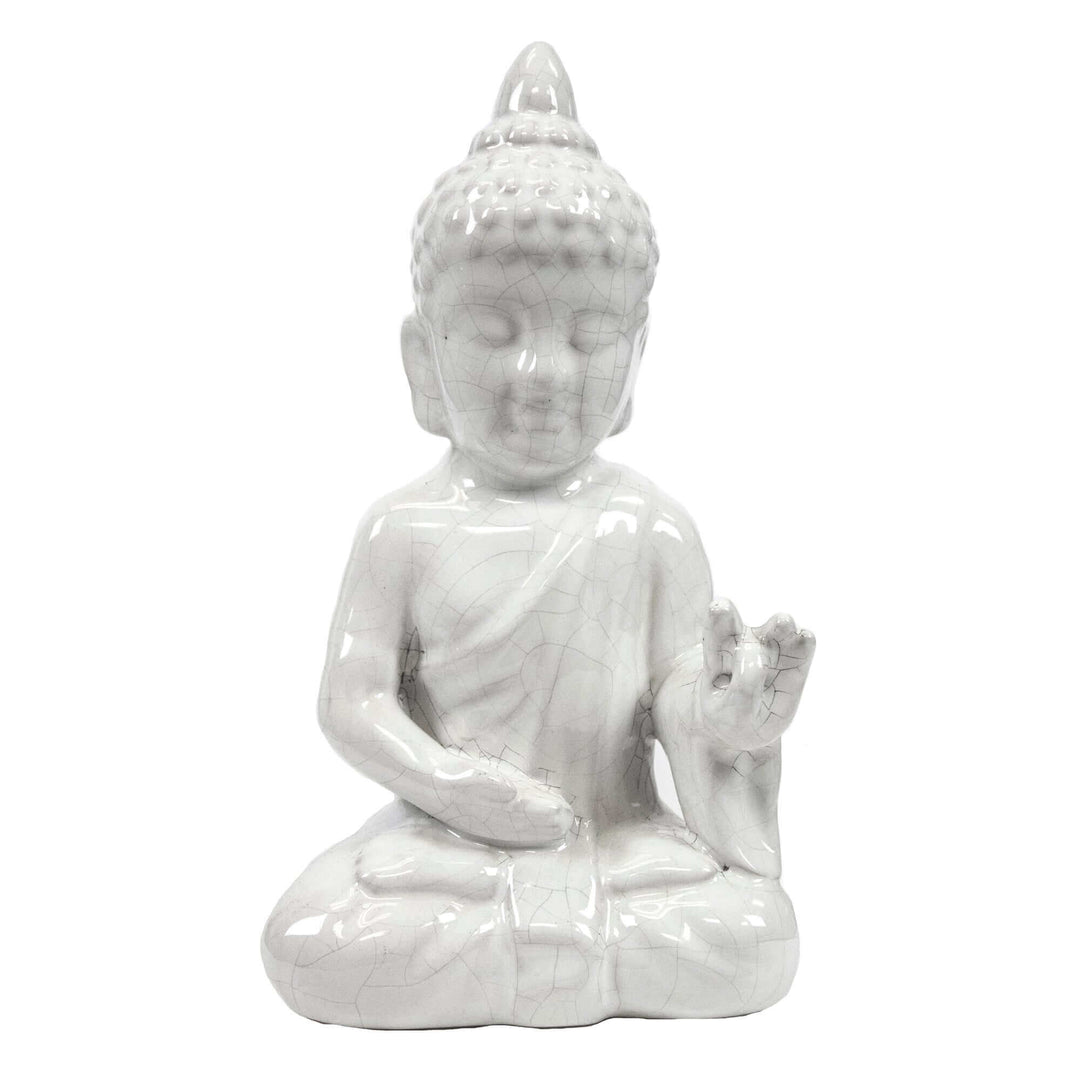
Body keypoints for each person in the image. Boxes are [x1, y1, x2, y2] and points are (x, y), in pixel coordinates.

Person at [262, 42, 815, 1029]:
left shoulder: (652, 528)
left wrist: (727, 725)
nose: (543, 375)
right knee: (308, 936)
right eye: (491, 331)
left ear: (636, 362)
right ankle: (590, 963)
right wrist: (452, 787)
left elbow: (675, 693)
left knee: (757, 933)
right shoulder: (403, 530)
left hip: (620, 845)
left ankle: (523, 963)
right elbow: (353, 701)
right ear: (422, 360)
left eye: (589, 337)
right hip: (448, 850)